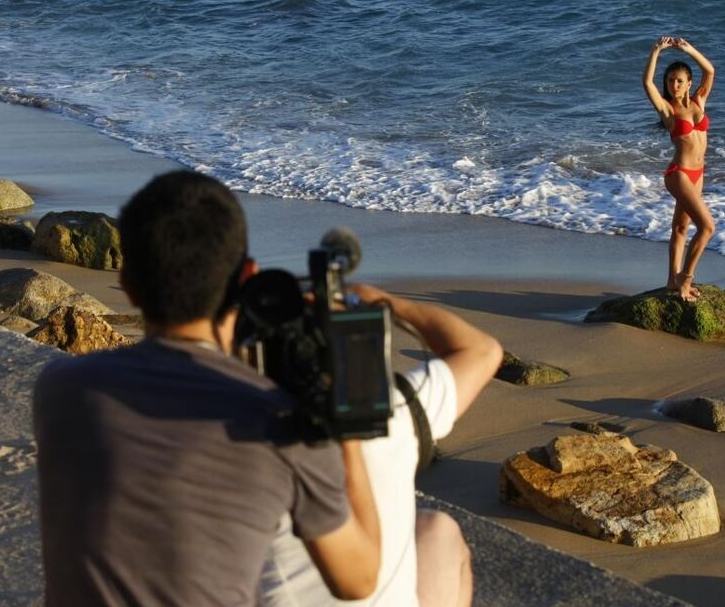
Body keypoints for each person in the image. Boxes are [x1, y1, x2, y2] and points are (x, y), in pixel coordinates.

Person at [32, 171, 381, 606]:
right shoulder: (280, 424)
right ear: (247, 277)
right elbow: (359, 579)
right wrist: (343, 425)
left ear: (128, 284)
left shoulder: (61, 389)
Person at [261, 286, 503, 607]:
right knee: (438, 530)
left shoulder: (228, 437)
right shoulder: (392, 413)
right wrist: (384, 302)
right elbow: (483, 351)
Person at [642, 36, 716, 302]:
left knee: (681, 229)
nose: (674, 85)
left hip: (698, 174)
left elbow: (710, 70)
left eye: (679, 81)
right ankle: (685, 280)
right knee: (707, 227)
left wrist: (688, 49)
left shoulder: (699, 101)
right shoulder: (668, 110)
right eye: (670, 81)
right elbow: (647, 83)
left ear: (688, 83)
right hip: (679, 173)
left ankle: (671, 280)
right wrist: (656, 51)